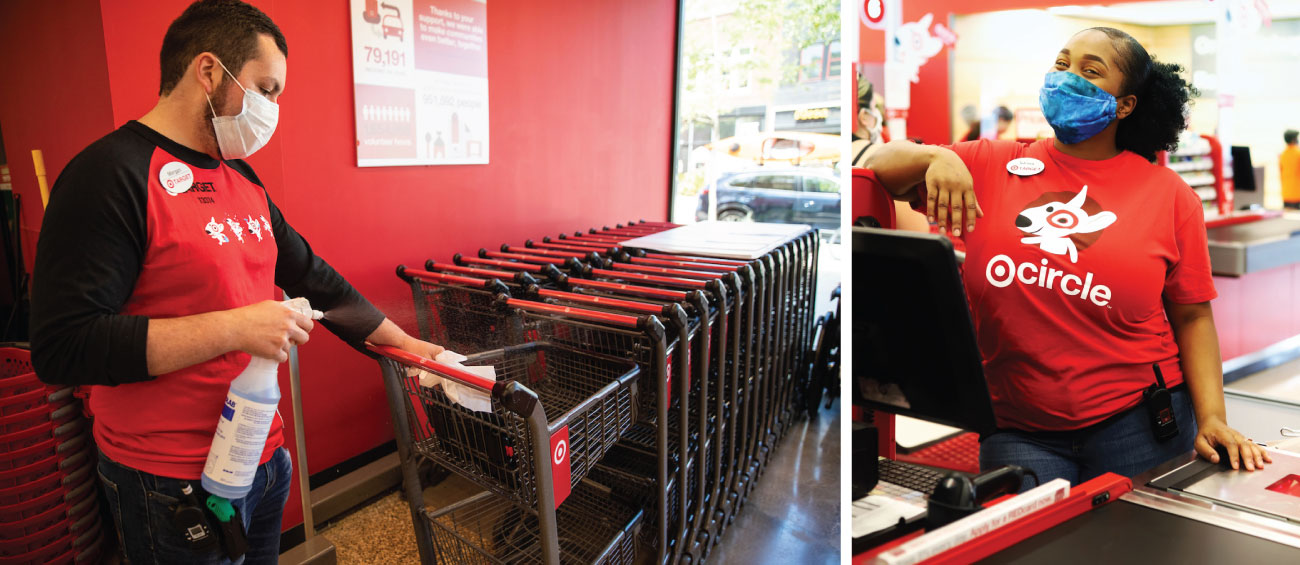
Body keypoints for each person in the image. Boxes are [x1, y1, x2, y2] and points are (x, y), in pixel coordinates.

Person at [29, 1, 445, 562]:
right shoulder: (109, 175)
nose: (273, 108)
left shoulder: (240, 178)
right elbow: (62, 347)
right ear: (208, 72)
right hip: (169, 480)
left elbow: (314, 278)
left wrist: (413, 350)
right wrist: (234, 328)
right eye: (266, 89)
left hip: (260, 456)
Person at [866, 27, 1269, 490]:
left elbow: (1194, 316)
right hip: (1017, 423)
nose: (1067, 78)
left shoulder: (1170, 197)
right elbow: (876, 166)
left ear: (1125, 105)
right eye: (1062, 64)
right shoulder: (989, 164)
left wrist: (1212, 417)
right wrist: (936, 157)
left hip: (1139, 422)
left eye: (1090, 70)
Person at [1280, 129, 1300, 210]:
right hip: (1297, 194)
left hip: (1286, 194)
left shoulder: (1283, 154)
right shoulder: (1298, 154)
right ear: (1294, 139)